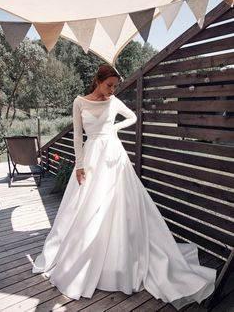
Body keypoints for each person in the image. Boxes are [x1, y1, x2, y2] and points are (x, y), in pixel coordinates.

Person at [32, 64, 216, 310]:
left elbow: (133, 117)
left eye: (115, 86)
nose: (112, 90)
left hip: (114, 156)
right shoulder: (80, 102)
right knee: (87, 207)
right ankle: (86, 256)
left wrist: (112, 129)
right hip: (91, 156)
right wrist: (79, 165)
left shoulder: (114, 101)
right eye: (109, 85)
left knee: (118, 206)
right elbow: (77, 136)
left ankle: (120, 259)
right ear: (97, 81)